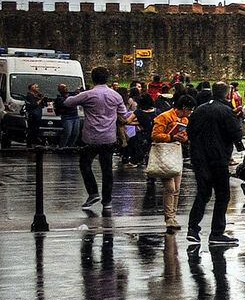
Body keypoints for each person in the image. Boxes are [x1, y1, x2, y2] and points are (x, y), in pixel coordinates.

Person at [64, 69, 131, 218]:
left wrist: (76, 95)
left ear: (93, 79)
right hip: (108, 136)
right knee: (106, 169)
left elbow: (68, 102)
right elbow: (123, 112)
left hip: (91, 136)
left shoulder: (88, 95)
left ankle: (93, 192)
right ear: (107, 79)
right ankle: (107, 200)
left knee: (85, 164)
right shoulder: (115, 95)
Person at [187, 83, 244, 243]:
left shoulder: (199, 109)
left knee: (203, 193)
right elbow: (235, 133)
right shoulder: (226, 111)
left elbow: (189, 131)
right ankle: (217, 232)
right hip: (218, 158)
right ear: (228, 95)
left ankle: (193, 228)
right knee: (222, 195)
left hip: (199, 157)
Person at [146, 93, 192, 225]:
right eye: (189, 109)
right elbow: (155, 135)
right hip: (164, 154)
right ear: (183, 107)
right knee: (170, 188)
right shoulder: (164, 117)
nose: (190, 113)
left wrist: (184, 138)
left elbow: (185, 136)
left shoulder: (184, 120)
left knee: (176, 188)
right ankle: (169, 217)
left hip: (176, 154)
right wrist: (170, 137)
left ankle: (172, 215)